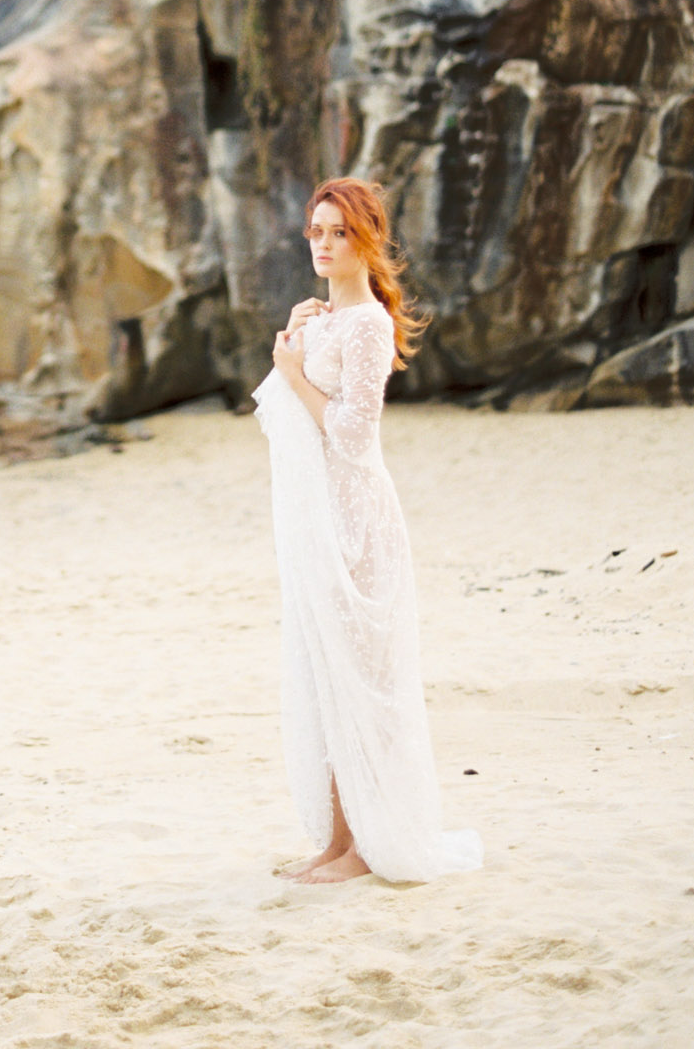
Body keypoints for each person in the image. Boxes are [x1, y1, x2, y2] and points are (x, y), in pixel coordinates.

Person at [252, 177, 483, 885]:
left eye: (337, 233)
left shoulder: (368, 325)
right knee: (325, 681)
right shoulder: (324, 318)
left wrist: (293, 372)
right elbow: (281, 412)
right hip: (313, 520)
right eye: (315, 231)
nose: (322, 244)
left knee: (363, 684)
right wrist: (293, 342)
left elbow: (353, 435)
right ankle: (335, 842)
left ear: (366, 240)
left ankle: (366, 849)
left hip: (355, 522)